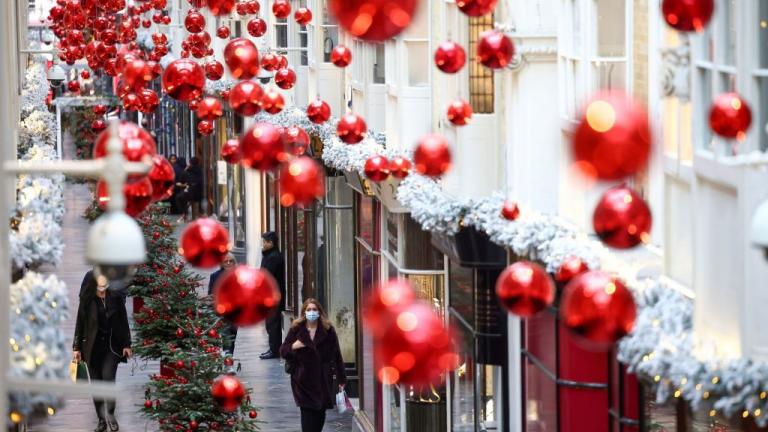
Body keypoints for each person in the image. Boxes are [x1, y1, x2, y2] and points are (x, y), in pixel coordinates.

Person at [72, 270, 132, 432]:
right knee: (97, 384)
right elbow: (80, 323)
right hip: (91, 347)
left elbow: (123, 321)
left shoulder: (116, 298)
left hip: (111, 347)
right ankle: (101, 420)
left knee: (108, 380)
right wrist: (76, 347)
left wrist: (127, 344)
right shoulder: (87, 300)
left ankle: (111, 415)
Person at [279, 299, 346, 432]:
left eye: (314, 309)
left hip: (323, 381)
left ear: (319, 312)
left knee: (319, 417)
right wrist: (294, 346)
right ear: (304, 312)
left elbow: (337, 355)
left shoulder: (328, 330)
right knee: (308, 420)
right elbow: (283, 350)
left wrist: (341, 379)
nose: (312, 312)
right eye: (308, 310)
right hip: (303, 382)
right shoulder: (296, 329)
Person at [260, 231, 285, 360]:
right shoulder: (270, 255)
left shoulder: (274, 257)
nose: (262, 244)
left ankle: (274, 350)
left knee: (273, 324)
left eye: (264, 242)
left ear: (271, 243)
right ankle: (273, 348)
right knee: (270, 323)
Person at [208, 253, 238, 359]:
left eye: (231, 261)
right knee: (221, 337)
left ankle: (228, 360)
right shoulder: (215, 276)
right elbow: (210, 295)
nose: (229, 263)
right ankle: (223, 360)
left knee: (231, 337)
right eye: (226, 261)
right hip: (219, 311)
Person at [175, 157, 204, 222]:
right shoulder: (200, 170)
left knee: (179, 197)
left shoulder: (188, 171)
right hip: (200, 193)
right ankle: (188, 214)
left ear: (190, 163)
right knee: (184, 196)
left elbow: (182, 181)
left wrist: (185, 169)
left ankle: (185, 213)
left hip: (191, 192)